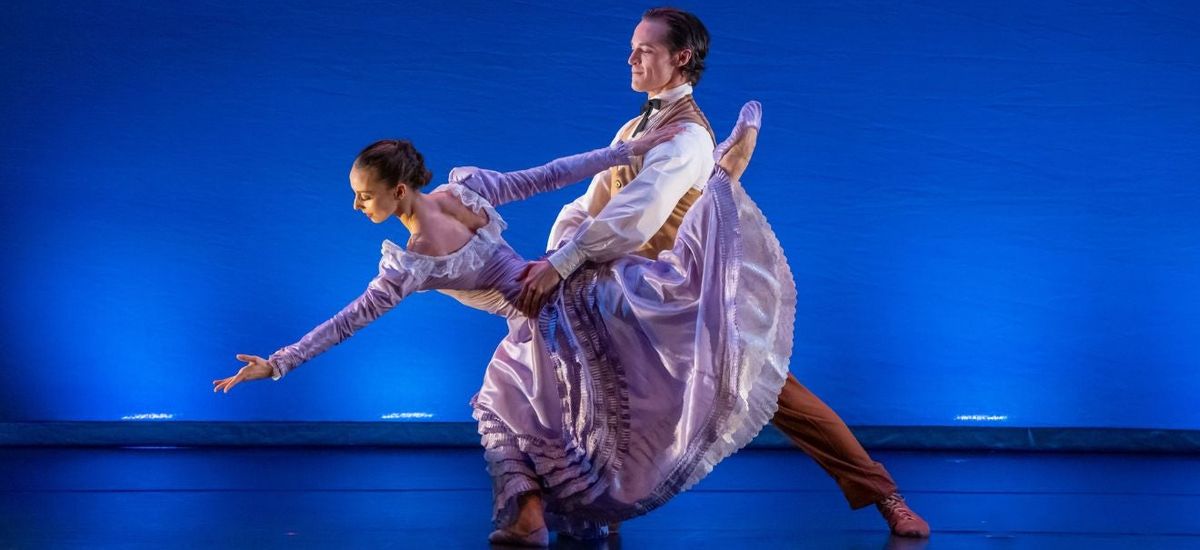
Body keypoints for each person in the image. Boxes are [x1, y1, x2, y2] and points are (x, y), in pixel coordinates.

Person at [213, 109, 795, 547]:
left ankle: (530, 521)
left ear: (398, 190)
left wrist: (279, 363)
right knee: (606, 386)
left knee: (501, 408)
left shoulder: (412, 261)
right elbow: (552, 174)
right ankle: (720, 176)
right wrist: (628, 149)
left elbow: (349, 321)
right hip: (572, 289)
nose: (357, 206)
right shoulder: (465, 192)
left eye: (364, 196)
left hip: (547, 319)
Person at [514, 6, 930, 539]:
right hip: (634, 294)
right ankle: (597, 509)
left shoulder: (686, 137)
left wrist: (565, 262)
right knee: (596, 391)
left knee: (778, 395)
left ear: (681, 58)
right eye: (632, 49)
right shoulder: (635, 127)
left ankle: (886, 496)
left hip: (686, 295)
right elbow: (594, 200)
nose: (631, 59)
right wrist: (558, 254)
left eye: (645, 50)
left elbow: (636, 214)